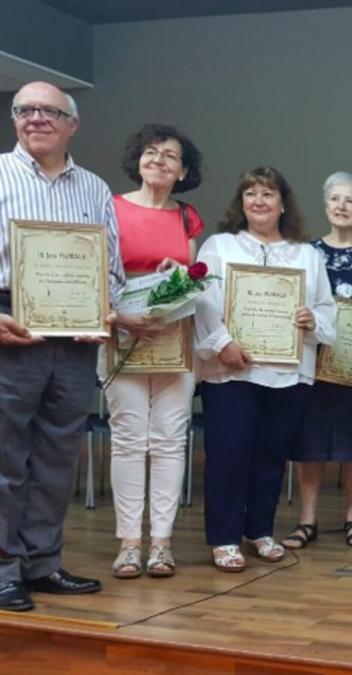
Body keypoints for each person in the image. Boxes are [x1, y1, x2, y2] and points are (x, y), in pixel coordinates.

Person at [0, 81, 158, 612]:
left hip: (75, 337)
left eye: (49, 111)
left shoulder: (92, 188)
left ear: (72, 124)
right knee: (5, 456)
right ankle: (2, 569)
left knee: (56, 454)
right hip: (9, 327)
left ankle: (41, 562)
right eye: (25, 110)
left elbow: (108, 268)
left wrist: (106, 312)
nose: (36, 118)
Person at [194, 166, 336, 572]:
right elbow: (203, 302)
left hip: (290, 372)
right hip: (233, 370)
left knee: (271, 456)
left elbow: (327, 312)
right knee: (228, 454)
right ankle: (224, 538)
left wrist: (313, 322)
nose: (258, 201)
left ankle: (260, 530)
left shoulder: (308, 255)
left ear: (282, 204)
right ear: (241, 202)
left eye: (267, 194)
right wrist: (223, 345)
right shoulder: (220, 246)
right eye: (250, 193)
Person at [105, 124, 206, 580]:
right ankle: (129, 543)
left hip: (173, 340)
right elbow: (96, 273)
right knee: (128, 440)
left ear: (184, 170)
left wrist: (179, 273)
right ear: (137, 159)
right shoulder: (110, 208)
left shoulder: (188, 218)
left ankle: (161, 543)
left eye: (170, 156)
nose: (159, 160)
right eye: (151, 152)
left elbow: (195, 283)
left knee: (169, 441)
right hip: (122, 336)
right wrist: (118, 318)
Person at [283, 172, 352, 550]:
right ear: (325, 206)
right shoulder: (307, 252)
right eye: (335, 199)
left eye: (350, 200)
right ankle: (307, 520)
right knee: (311, 441)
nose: (342, 206)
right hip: (314, 359)